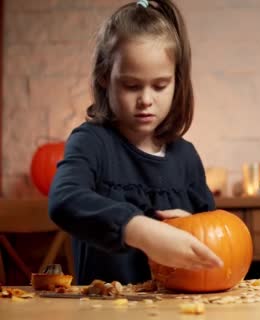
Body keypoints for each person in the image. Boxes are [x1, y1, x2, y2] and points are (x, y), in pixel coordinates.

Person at [49, 0, 223, 285]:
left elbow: (214, 251)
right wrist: (139, 229)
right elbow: (64, 200)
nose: (145, 100)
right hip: (103, 312)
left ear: (176, 82)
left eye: (160, 85)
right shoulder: (91, 143)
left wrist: (192, 227)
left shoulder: (186, 157)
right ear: (105, 77)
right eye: (131, 85)